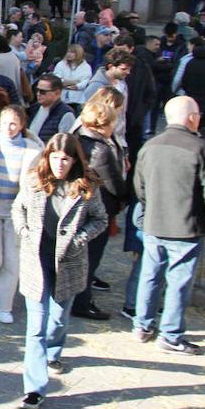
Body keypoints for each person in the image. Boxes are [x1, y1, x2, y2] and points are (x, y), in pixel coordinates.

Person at [12, 132, 108, 409]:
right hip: (37, 262)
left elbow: (100, 219)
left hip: (67, 264)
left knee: (57, 320)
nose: (59, 164)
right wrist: (24, 231)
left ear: (74, 159)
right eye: (54, 158)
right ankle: (34, 389)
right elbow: (19, 208)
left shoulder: (86, 186)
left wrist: (80, 238)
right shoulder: (35, 181)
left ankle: (54, 352)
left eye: (65, 159)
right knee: (36, 329)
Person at [131, 96, 205, 356]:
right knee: (178, 282)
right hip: (186, 226)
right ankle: (170, 335)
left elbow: (140, 186)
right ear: (191, 117)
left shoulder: (151, 145)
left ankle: (142, 325)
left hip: (154, 222)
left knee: (150, 275)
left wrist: (150, 208)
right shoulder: (199, 148)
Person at [0, 105, 44, 324]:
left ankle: (4, 304)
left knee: (13, 260)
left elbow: (38, 178)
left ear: (22, 124)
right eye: (4, 123)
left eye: (13, 123)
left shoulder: (34, 149)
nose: (8, 128)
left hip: (17, 209)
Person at [71, 98, 127, 322]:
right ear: (102, 124)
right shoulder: (101, 150)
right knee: (90, 258)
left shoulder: (75, 140)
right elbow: (113, 182)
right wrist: (125, 197)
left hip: (78, 206)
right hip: (97, 208)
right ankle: (82, 302)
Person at [27, 73, 75, 141]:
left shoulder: (66, 114)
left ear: (57, 93)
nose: (38, 94)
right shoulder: (33, 108)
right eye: (37, 90)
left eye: (42, 91)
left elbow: (64, 143)